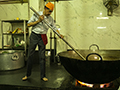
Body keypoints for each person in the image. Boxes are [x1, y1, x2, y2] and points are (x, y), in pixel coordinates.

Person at [22, 2, 63, 81]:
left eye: (51, 12)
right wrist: (38, 20)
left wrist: (59, 34)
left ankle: (43, 76)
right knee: (30, 55)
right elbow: (28, 24)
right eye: (49, 11)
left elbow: (54, 27)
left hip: (42, 37)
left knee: (42, 57)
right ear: (45, 8)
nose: (49, 13)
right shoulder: (37, 14)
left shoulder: (50, 19)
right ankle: (27, 74)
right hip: (34, 35)